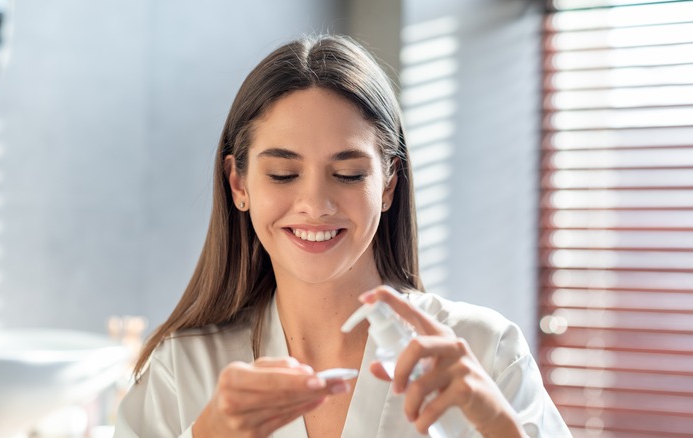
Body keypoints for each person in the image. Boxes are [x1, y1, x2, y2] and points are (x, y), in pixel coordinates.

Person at [114, 34, 570, 438]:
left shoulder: (485, 350)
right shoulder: (182, 370)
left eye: (349, 174)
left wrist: (498, 427)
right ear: (239, 185)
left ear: (389, 183)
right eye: (283, 173)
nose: (316, 204)